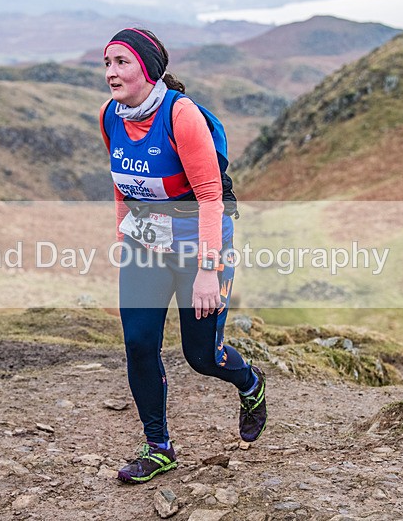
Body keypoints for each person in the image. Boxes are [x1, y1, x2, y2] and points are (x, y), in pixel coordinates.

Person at [99, 27, 267, 484]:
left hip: (199, 244)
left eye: (122, 62)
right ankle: (159, 448)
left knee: (202, 356)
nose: (111, 73)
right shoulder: (109, 116)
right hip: (145, 245)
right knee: (138, 343)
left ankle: (250, 382)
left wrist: (208, 271)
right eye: (107, 63)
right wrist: (122, 237)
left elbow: (211, 196)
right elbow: (121, 181)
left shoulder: (181, 115)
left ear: (149, 70)